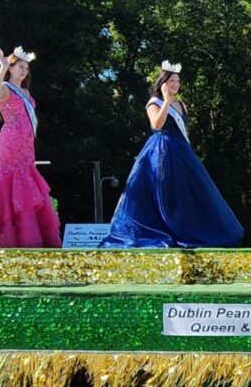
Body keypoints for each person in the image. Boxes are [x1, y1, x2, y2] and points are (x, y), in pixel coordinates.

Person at [100, 61, 243, 248]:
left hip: (182, 154)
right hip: (161, 152)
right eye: (171, 80)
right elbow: (156, 126)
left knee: (187, 193)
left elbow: (185, 131)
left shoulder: (182, 104)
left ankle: (191, 230)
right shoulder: (154, 102)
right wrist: (166, 101)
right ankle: (164, 230)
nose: (175, 84)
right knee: (162, 192)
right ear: (162, 82)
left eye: (177, 81)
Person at [0, 47, 62, 248]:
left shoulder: (26, 92)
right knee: (9, 179)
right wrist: (1, 68)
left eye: (26, 68)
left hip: (27, 144)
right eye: (20, 66)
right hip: (10, 141)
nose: (24, 71)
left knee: (26, 180)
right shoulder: (4, 88)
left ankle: (28, 235)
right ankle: (6, 236)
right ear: (11, 68)